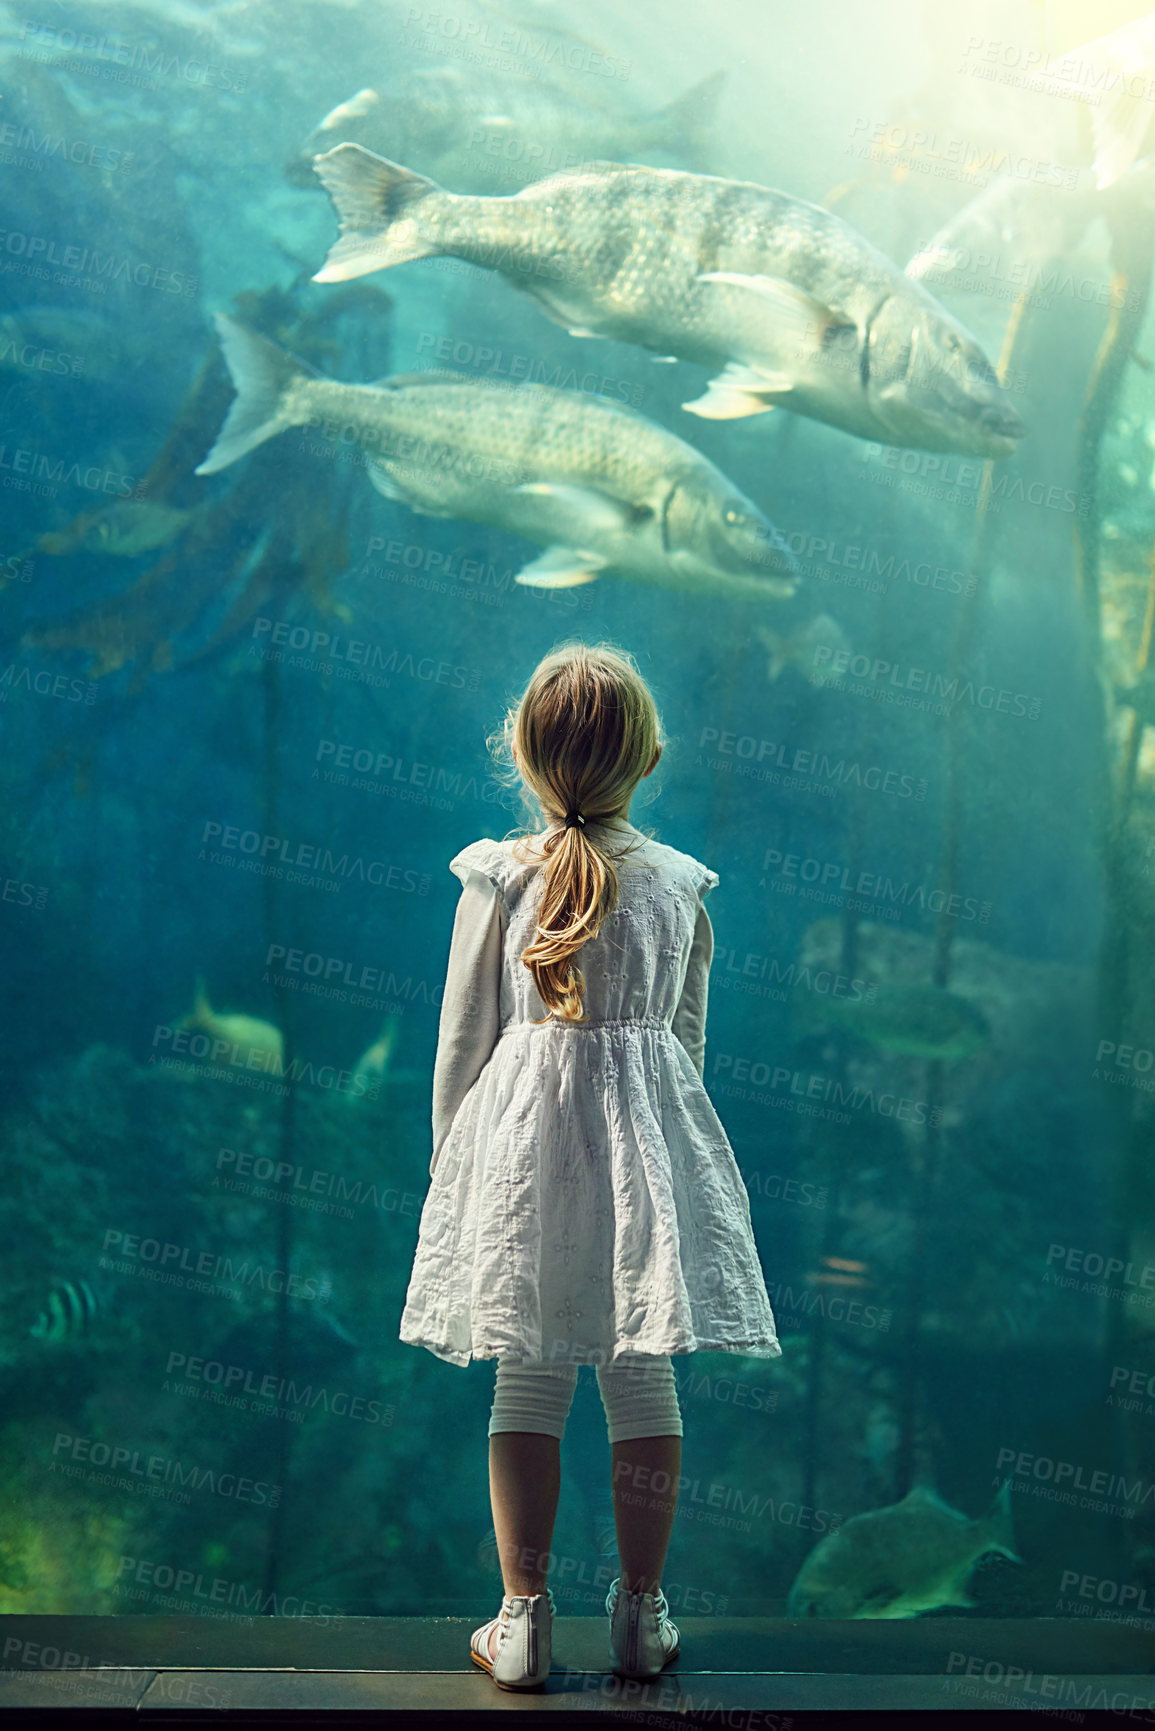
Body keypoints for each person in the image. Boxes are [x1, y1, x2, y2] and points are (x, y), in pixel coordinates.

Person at [400, 641, 781, 1691]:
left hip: (520, 1165)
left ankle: (521, 1621)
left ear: (522, 757)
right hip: (641, 1162)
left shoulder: (494, 878)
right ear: (647, 760)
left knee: (527, 1379)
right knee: (639, 1373)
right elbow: (685, 1050)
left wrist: (454, 1176)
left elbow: (461, 1043)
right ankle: (641, 1616)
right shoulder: (678, 885)